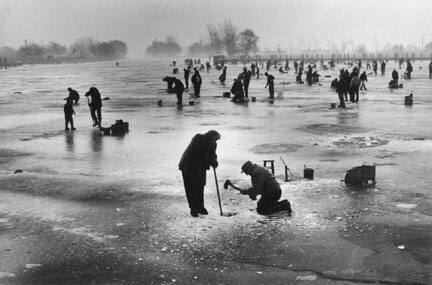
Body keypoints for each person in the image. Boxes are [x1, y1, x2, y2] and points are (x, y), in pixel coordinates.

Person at [179, 130, 220, 217]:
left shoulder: (212, 144)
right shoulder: (198, 138)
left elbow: (212, 154)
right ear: (210, 137)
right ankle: (193, 209)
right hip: (188, 167)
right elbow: (197, 153)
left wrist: (214, 161)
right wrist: (210, 158)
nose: (215, 142)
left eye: (216, 140)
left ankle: (200, 207)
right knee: (191, 189)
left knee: (200, 187)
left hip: (200, 168)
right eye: (214, 139)